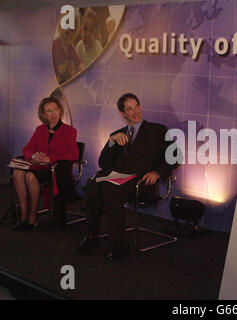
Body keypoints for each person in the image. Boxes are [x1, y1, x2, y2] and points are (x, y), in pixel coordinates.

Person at [73, 93, 177, 260]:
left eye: (137, 106)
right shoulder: (118, 134)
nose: (136, 111)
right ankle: (92, 236)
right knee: (93, 185)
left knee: (110, 187)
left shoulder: (158, 130)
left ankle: (118, 242)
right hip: (118, 178)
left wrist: (158, 173)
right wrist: (111, 142)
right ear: (122, 114)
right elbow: (104, 163)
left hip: (142, 181)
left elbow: (175, 157)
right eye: (130, 109)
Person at [13, 97, 79, 230]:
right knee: (18, 173)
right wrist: (34, 155)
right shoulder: (40, 129)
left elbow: (74, 155)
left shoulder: (69, 131)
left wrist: (51, 158)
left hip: (55, 171)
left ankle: (32, 217)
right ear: (43, 114)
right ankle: (23, 215)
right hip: (38, 166)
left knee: (30, 176)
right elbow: (27, 148)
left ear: (60, 111)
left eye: (55, 109)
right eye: (49, 111)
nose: (53, 113)